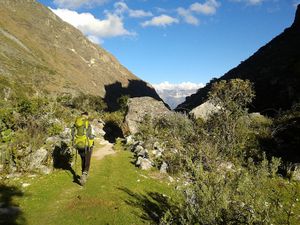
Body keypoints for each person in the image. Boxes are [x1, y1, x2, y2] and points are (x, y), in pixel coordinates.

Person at [72, 112, 95, 186]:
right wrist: (92, 138)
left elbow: (72, 133)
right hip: (87, 144)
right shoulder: (87, 123)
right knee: (87, 160)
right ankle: (84, 176)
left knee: (83, 159)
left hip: (78, 144)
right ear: (86, 116)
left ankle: (83, 174)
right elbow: (90, 135)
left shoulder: (76, 122)